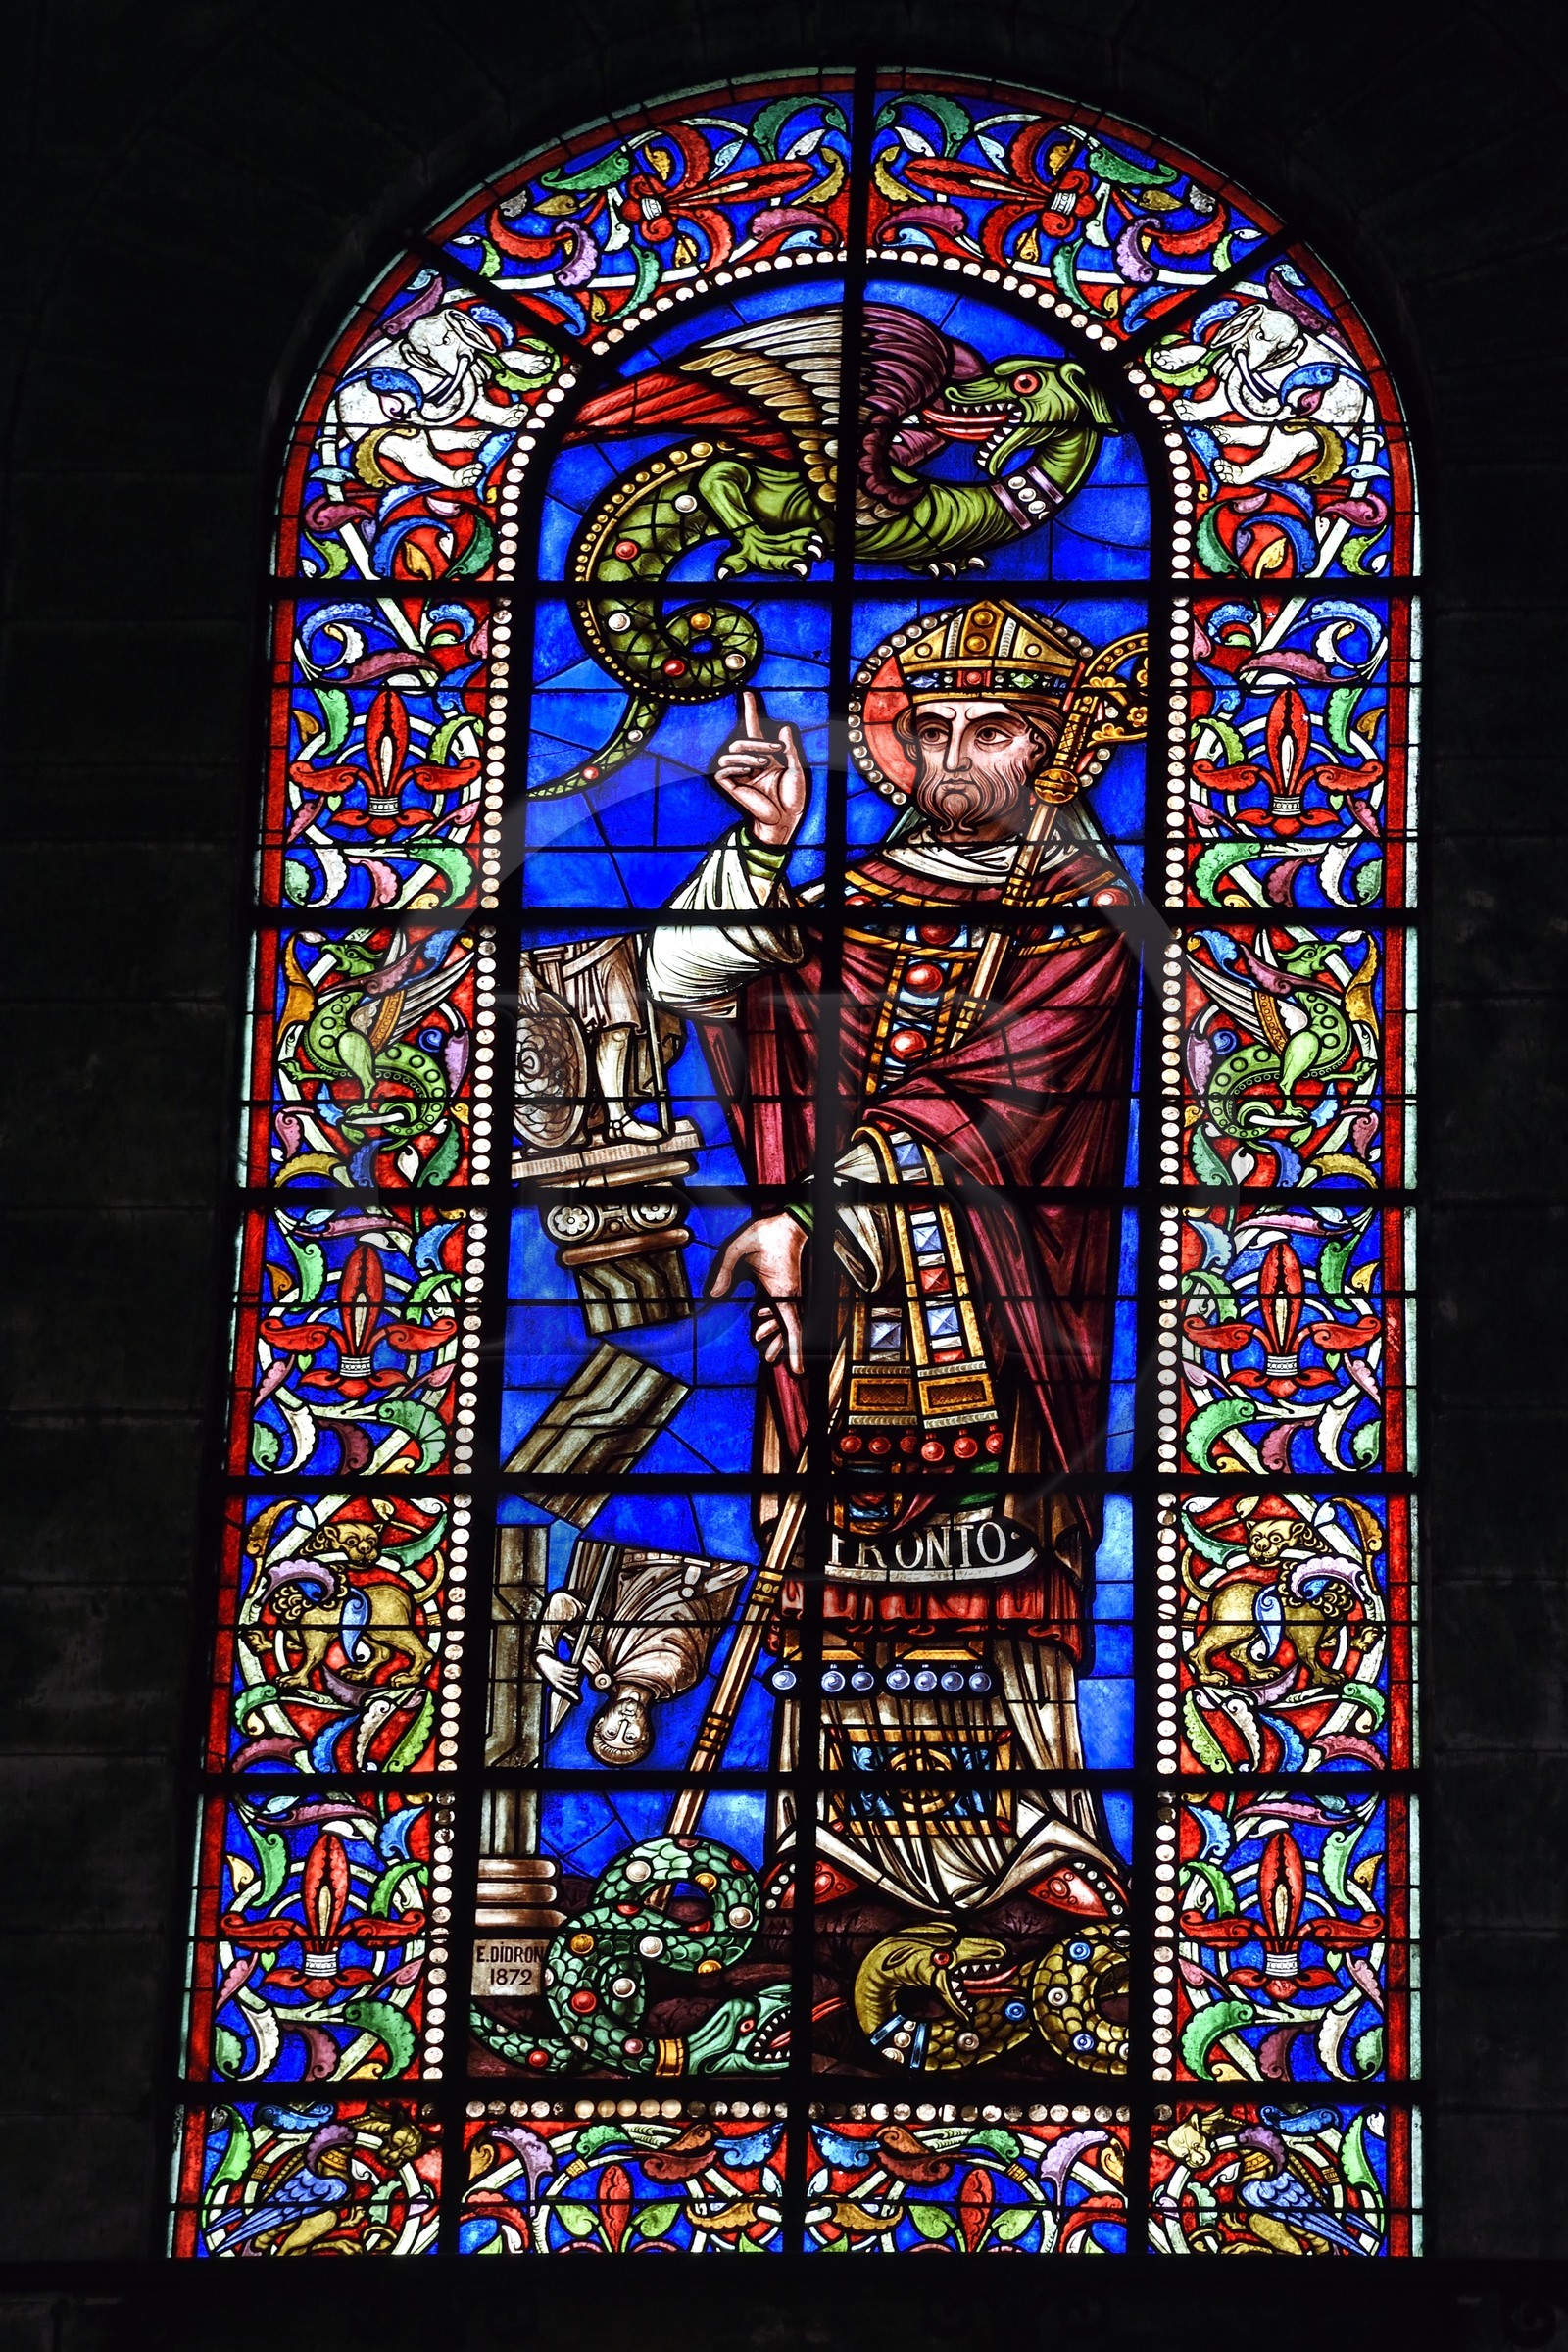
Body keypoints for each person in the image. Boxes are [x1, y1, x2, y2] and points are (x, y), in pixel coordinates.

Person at [645, 599, 1142, 1917]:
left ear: (1053, 750)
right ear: (900, 749)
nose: (960, 758)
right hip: (840, 1317)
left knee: (1012, 1571)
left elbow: (1001, 1094)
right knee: (833, 1578)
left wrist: (818, 1217)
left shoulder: (1089, 921)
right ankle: (831, 1853)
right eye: (934, 731)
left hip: (1017, 1310)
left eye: (996, 731)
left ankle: (1046, 1847)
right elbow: (699, 986)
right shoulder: (856, 904)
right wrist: (763, 847)